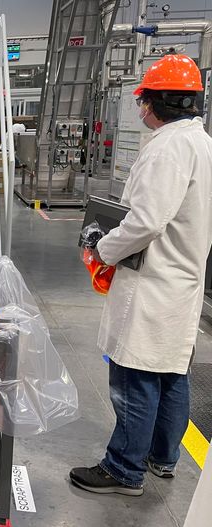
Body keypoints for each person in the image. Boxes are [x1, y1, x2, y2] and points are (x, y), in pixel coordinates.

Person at [69, 54, 212, 496]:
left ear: (158, 101)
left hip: (153, 280)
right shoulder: (201, 143)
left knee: (134, 375)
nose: (141, 109)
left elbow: (146, 221)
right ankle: (162, 458)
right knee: (171, 372)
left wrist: (103, 250)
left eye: (144, 100)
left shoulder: (169, 147)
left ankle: (124, 468)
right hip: (182, 276)